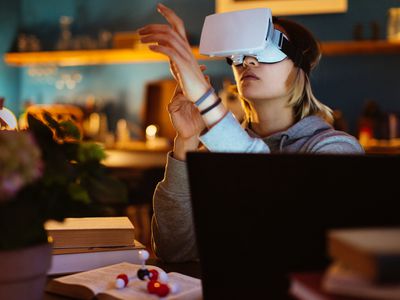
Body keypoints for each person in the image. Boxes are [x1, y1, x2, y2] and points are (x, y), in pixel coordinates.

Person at [138, 3, 364, 262]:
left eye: (268, 48)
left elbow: (279, 215)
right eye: (240, 53)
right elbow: (174, 251)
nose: (249, 60)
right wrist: (186, 142)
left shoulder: (336, 149)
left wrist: (204, 97)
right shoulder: (216, 150)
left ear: (300, 66)